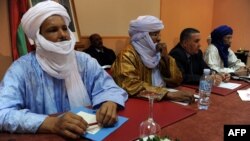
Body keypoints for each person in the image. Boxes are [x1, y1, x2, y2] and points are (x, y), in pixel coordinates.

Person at [0, 1, 128, 139]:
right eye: (53, 30)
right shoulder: (22, 69)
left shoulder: (84, 61)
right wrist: (50, 123)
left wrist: (109, 101)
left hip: (88, 134)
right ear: (38, 36)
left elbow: (109, 88)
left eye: (65, 28)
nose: (63, 35)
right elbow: (3, 112)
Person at [111, 15, 194, 103]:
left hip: (163, 100)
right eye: (155, 34)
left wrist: (166, 58)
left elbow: (177, 80)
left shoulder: (157, 53)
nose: (159, 38)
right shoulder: (127, 55)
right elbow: (130, 85)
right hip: (142, 103)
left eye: (159, 34)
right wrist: (167, 94)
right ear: (142, 37)